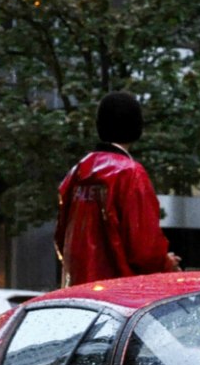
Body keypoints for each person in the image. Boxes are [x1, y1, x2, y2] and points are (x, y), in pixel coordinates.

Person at [55, 92, 181, 287]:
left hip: (78, 292)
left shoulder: (77, 173)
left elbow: (61, 238)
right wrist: (166, 263)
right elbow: (144, 250)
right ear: (137, 126)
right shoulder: (130, 173)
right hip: (119, 295)